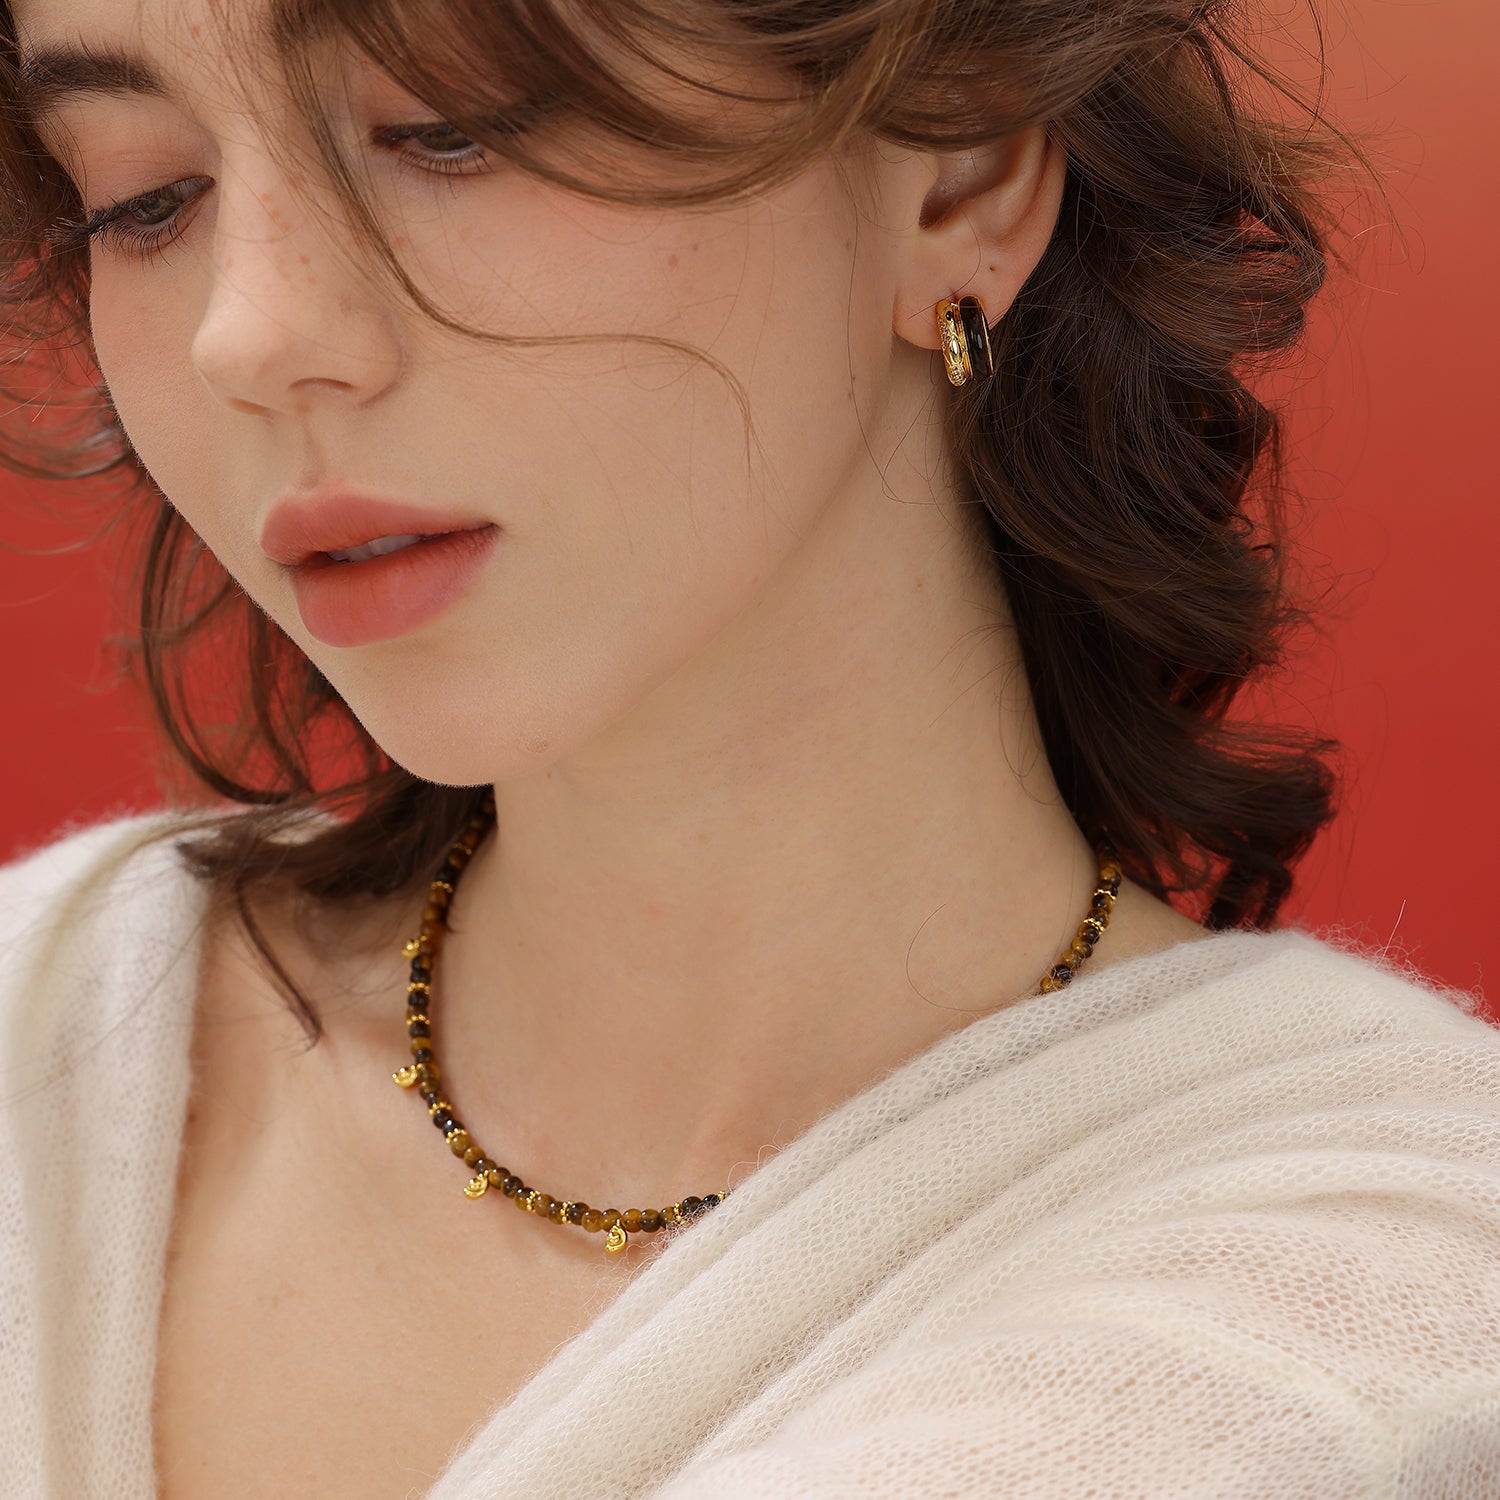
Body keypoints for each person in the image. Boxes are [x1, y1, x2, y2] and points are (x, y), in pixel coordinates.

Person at [2, 0, 1497, 1496]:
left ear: (961, 166)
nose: (249, 336)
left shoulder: (1367, 1304)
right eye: (141, 198)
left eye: (450, 124)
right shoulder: (45, 1035)